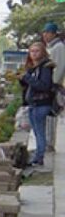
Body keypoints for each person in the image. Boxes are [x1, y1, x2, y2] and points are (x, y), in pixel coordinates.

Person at [19, 40, 55, 168]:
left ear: (43, 52)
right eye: (32, 51)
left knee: (39, 131)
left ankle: (39, 157)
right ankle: (38, 156)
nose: (34, 54)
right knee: (36, 131)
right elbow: (28, 85)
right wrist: (23, 79)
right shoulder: (33, 68)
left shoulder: (45, 67)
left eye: (37, 51)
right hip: (33, 103)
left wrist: (28, 78)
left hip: (41, 103)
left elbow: (44, 86)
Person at [41, 22, 65, 150]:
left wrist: (53, 84)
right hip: (48, 85)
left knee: (51, 114)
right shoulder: (51, 47)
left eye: (48, 32)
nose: (45, 35)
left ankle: (49, 143)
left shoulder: (58, 47)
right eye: (44, 32)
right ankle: (47, 142)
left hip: (53, 86)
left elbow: (59, 67)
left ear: (54, 34)